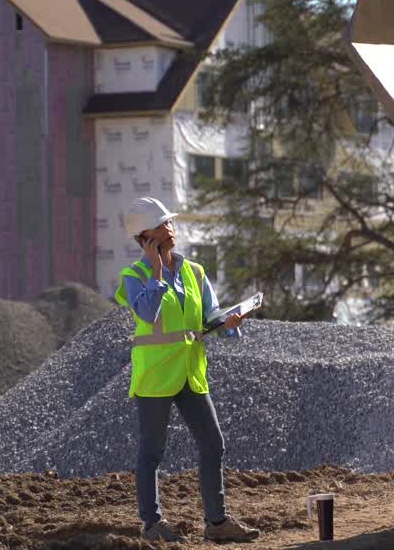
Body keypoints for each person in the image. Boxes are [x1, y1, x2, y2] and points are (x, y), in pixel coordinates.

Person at [115, 196, 260, 544]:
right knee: (151, 453)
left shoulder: (194, 271)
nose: (170, 228)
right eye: (162, 225)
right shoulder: (132, 276)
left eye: (169, 222)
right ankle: (151, 526)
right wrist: (155, 271)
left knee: (213, 444)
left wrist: (229, 321)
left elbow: (209, 316)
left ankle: (217, 522)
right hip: (155, 376)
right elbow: (148, 314)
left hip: (191, 373)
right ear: (144, 237)